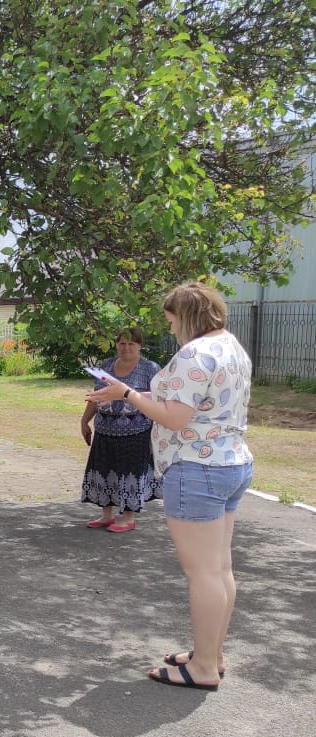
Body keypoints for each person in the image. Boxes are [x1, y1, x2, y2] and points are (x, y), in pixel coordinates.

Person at [86, 281, 253, 691]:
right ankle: (211, 655)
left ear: (187, 316)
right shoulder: (230, 345)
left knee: (202, 574)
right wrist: (127, 392)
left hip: (196, 469)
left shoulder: (195, 353)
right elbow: (190, 401)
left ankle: (203, 668)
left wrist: (127, 393)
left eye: (172, 320)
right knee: (220, 569)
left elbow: (174, 418)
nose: (171, 327)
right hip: (229, 462)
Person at [80, 328, 162, 532]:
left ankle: (128, 518)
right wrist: (84, 420)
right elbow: (96, 396)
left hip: (136, 432)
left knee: (130, 474)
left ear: (140, 346)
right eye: (122, 343)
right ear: (116, 344)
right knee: (104, 470)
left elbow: (160, 398)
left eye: (131, 344)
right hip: (105, 431)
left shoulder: (150, 368)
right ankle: (106, 515)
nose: (126, 348)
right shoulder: (105, 366)